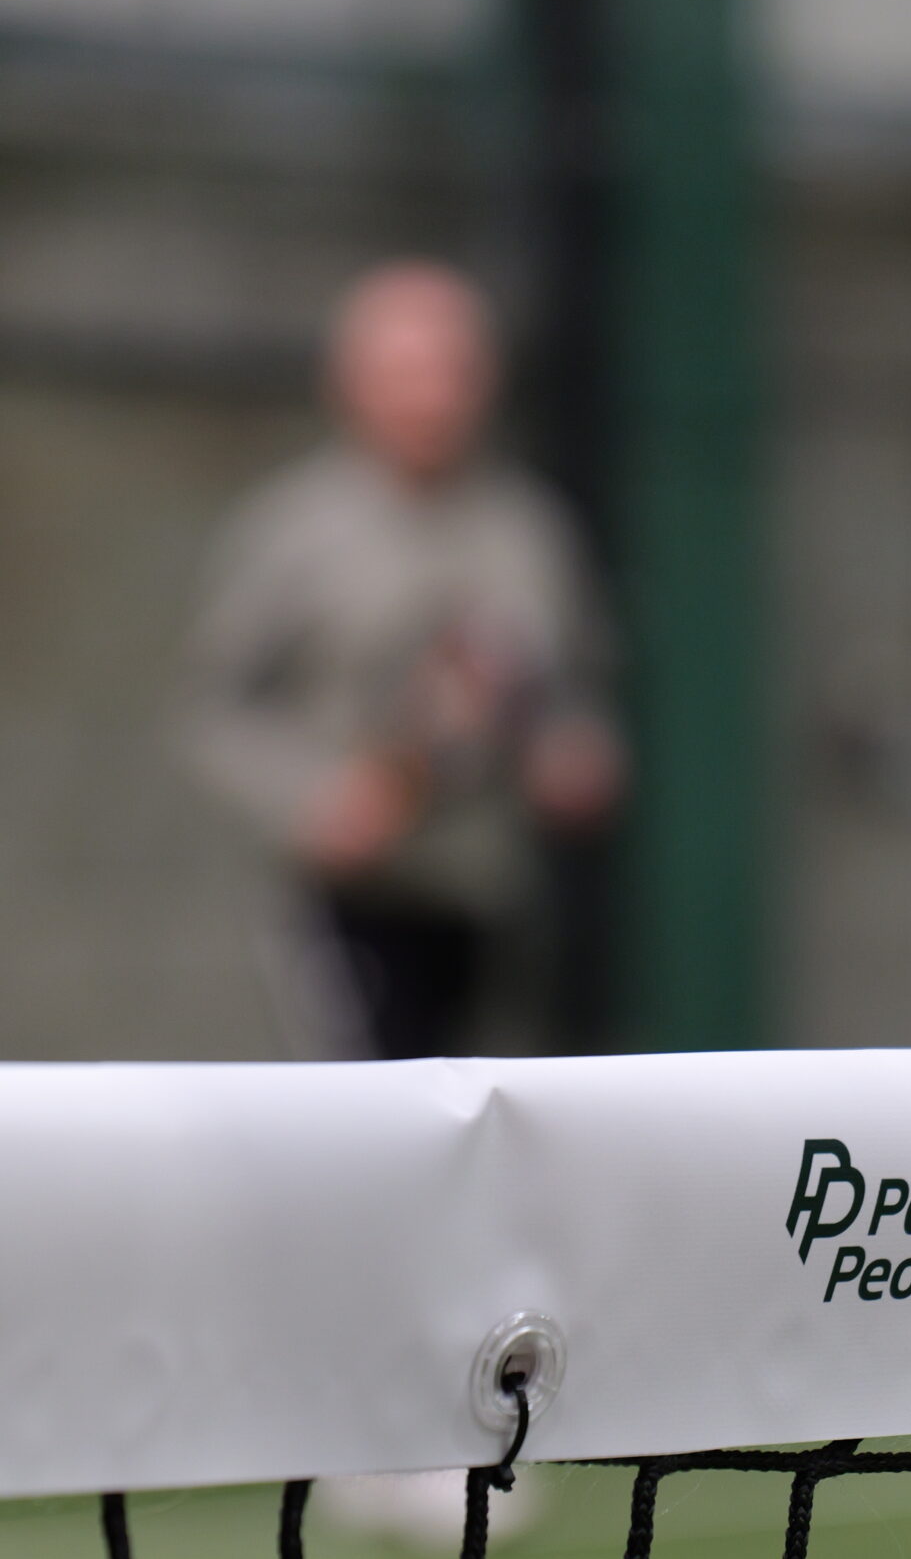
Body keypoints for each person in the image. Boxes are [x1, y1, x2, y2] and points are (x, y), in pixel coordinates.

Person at [183, 260, 625, 1060]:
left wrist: (572, 756)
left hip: (492, 901)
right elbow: (215, 712)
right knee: (361, 1100)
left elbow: (575, 693)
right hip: (344, 908)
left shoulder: (531, 533)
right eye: (404, 372)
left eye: (450, 371)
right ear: (349, 384)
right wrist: (312, 800)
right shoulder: (294, 534)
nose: (431, 399)